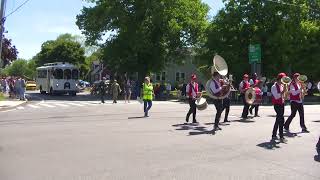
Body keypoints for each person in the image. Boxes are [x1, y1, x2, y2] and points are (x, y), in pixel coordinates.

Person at [271, 73, 287, 142]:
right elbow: (276, 96)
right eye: (283, 79)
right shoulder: (274, 86)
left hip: (282, 104)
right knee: (281, 120)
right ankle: (281, 136)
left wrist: (286, 93)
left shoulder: (282, 86)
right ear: (279, 79)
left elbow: (283, 96)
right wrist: (283, 91)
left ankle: (274, 134)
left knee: (278, 119)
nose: (284, 81)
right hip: (277, 105)